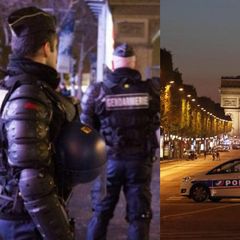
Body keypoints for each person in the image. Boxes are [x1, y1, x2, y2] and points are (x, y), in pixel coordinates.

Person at [0, 7, 80, 239]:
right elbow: (32, 180)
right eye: (57, 48)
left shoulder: (9, 87)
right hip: (26, 223)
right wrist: (60, 234)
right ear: (47, 48)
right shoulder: (29, 95)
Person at [81, 43, 160, 240]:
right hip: (140, 161)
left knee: (100, 214)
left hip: (107, 162)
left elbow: (84, 128)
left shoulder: (97, 91)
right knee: (139, 217)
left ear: (113, 65)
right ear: (135, 65)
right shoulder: (151, 90)